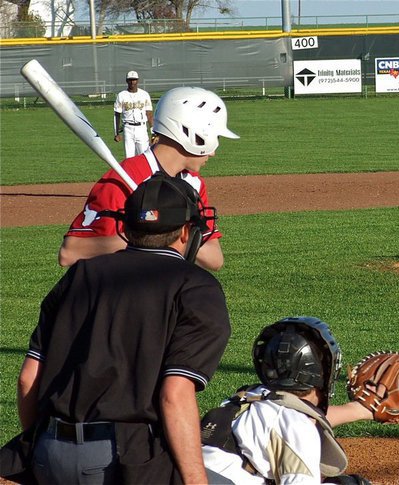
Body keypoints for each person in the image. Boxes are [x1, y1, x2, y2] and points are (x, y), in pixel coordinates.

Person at [16, 174, 232, 484]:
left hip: (49, 451)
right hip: (121, 460)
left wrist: (38, 447)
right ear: (186, 232)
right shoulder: (196, 286)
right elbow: (175, 394)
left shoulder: (80, 275)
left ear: (125, 226)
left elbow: (28, 379)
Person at [59, 86, 239, 271]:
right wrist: (145, 237)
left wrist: (170, 234)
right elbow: (69, 253)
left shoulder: (193, 183)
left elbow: (215, 260)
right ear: (192, 134)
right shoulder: (123, 179)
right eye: (215, 137)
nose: (214, 152)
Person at [201, 317, 372, 485]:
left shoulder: (247, 398)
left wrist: (360, 410)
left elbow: (294, 418)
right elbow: (295, 424)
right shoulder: (298, 426)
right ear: (324, 373)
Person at [113, 70, 154, 158]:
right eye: (130, 80)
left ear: (138, 80)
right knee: (129, 157)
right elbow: (117, 114)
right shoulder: (121, 95)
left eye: (134, 79)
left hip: (142, 128)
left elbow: (149, 114)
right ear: (126, 81)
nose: (132, 82)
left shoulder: (144, 94)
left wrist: (153, 132)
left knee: (145, 157)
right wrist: (116, 133)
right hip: (128, 128)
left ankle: (144, 172)